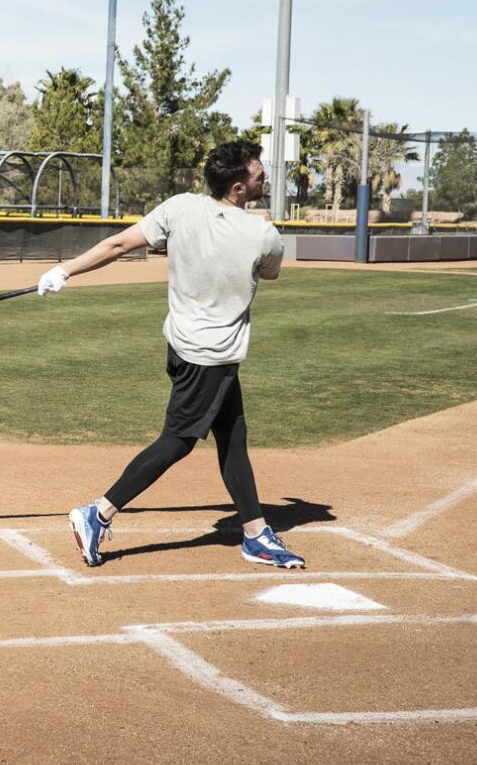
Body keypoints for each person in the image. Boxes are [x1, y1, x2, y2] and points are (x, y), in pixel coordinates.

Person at [37, 140, 304, 570]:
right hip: (209, 358)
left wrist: (64, 270)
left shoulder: (180, 208)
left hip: (184, 347)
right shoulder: (262, 234)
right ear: (238, 188)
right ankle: (98, 512)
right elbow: (271, 272)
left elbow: (119, 245)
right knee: (177, 442)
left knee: (233, 437)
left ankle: (255, 532)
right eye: (258, 174)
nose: (265, 177)